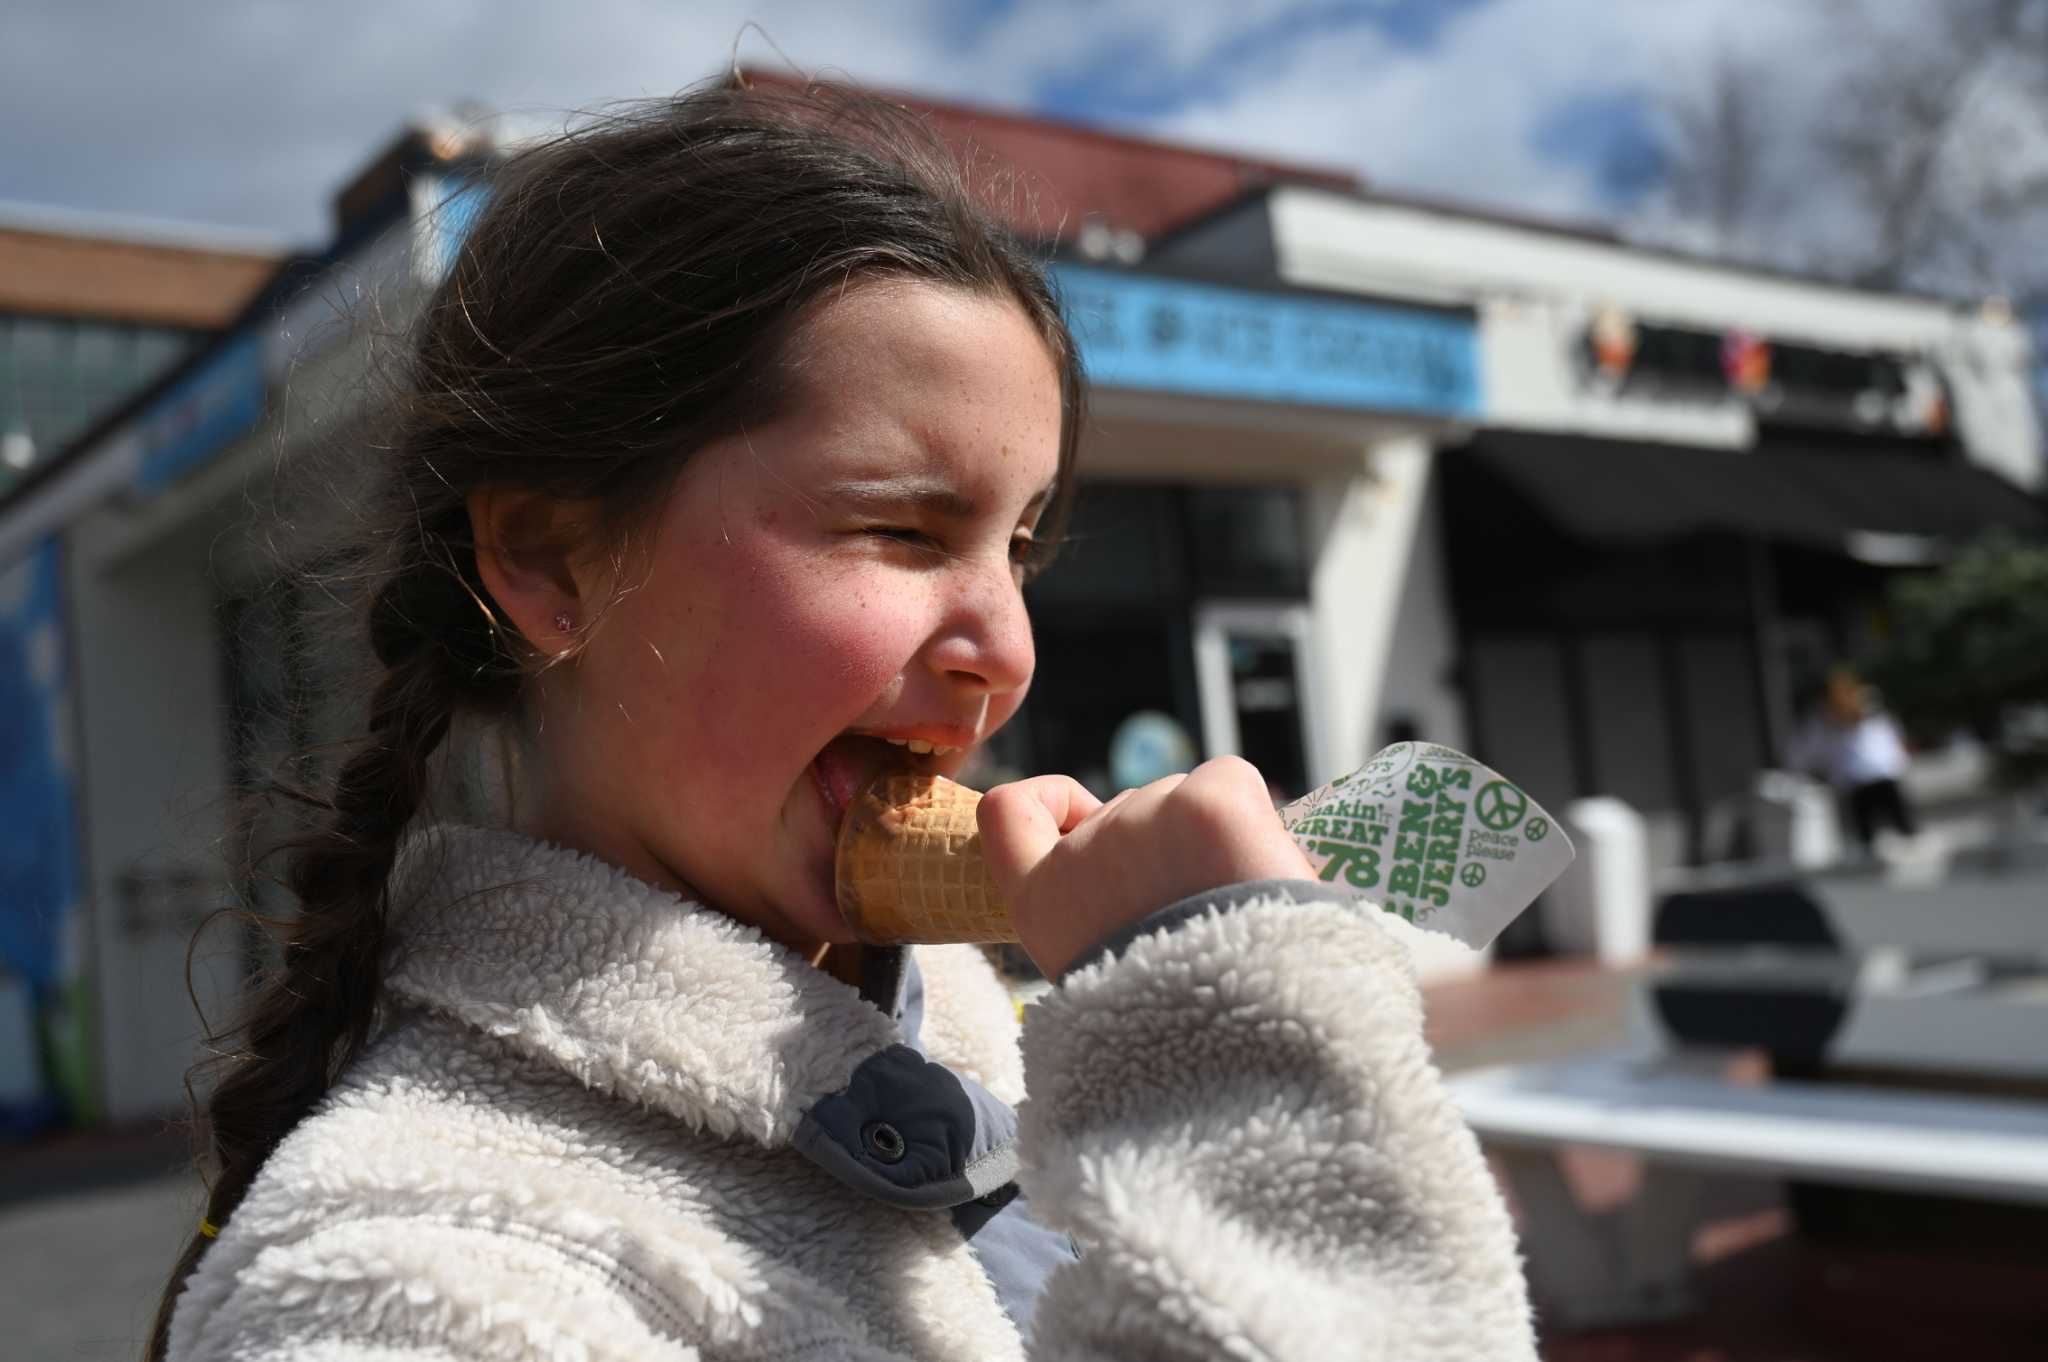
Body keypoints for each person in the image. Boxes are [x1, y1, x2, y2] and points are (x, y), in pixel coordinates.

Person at [148, 83, 1535, 1360]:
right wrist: (1236, 1057)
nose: (1007, 651)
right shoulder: (407, 1287)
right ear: (550, 558)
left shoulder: (990, 1037)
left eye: (1021, 546)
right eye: (898, 528)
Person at [1791, 666, 1920, 854]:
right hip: (1860, 783)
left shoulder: (1867, 706)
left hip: (1878, 777)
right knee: (1869, 840)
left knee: (1901, 832)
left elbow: (1886, 737)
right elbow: (1804, 755)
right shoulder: (1821, 722)